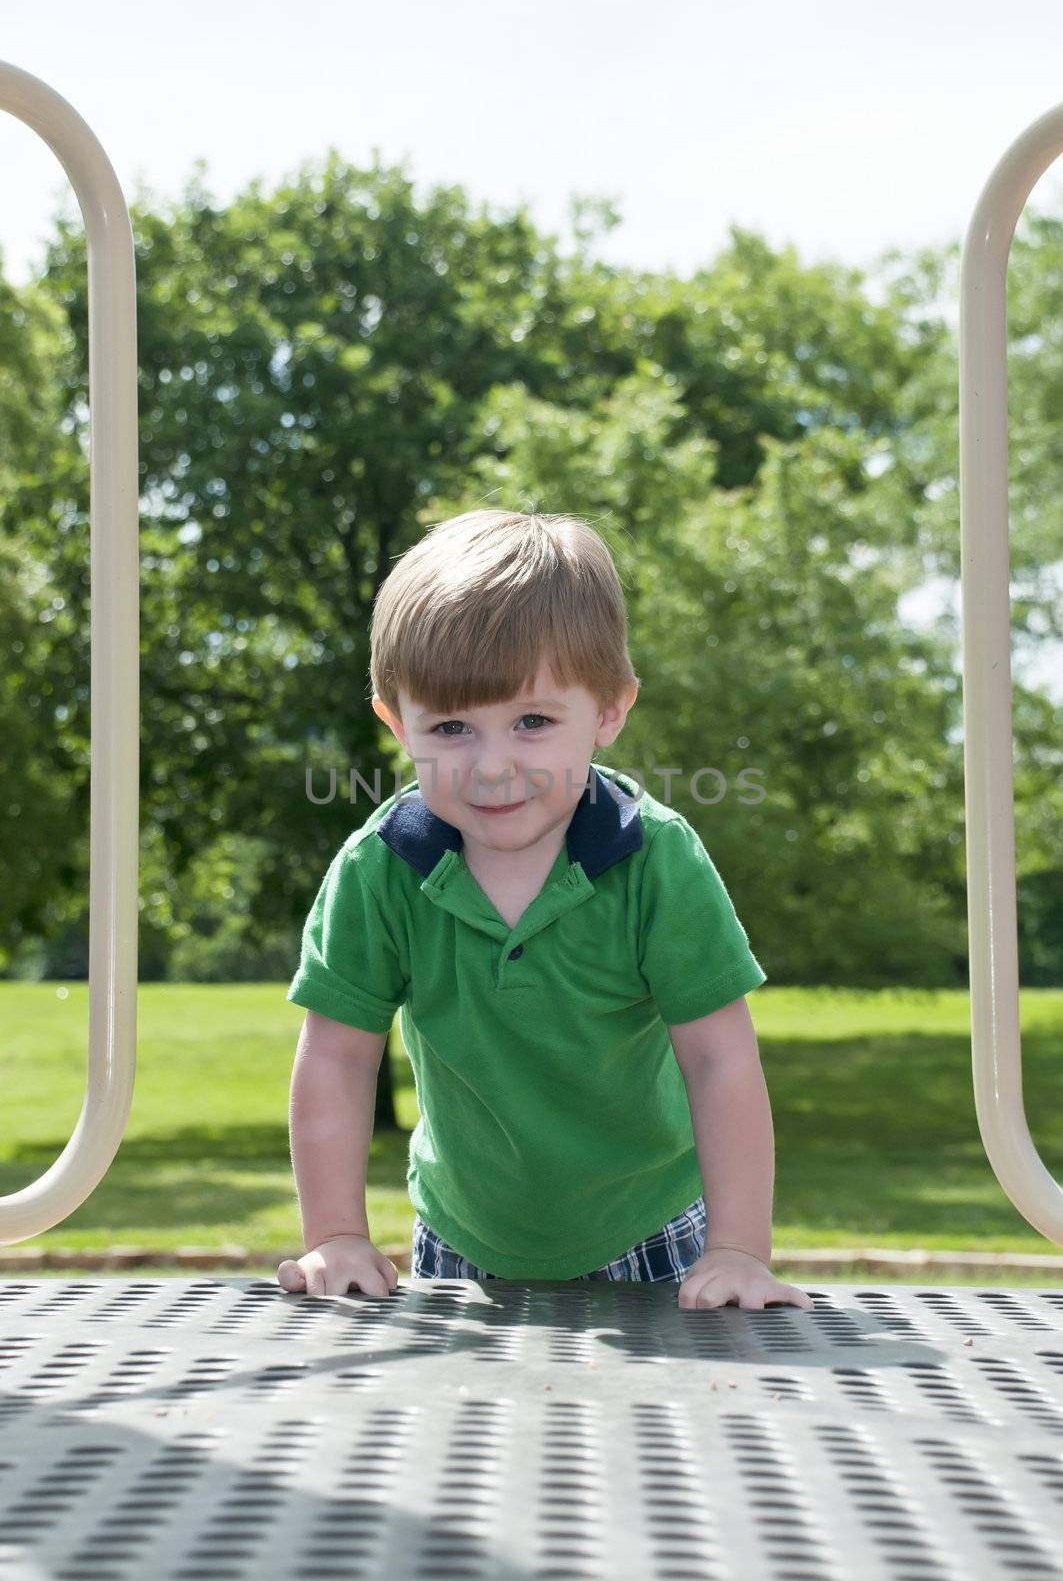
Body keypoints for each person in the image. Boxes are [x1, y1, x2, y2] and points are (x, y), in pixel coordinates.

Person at [277, 508, 814, 1312]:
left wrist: (738, 1250)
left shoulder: (654, 861)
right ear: (396, 722)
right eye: (451, 727)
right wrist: (335, 1234)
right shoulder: (381, 869)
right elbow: (338, 1058)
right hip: (460, 1234)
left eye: (532, 722)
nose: (492, 767)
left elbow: (719, 1059)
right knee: (466, 1430)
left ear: (608, 710)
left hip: (652, 1229)